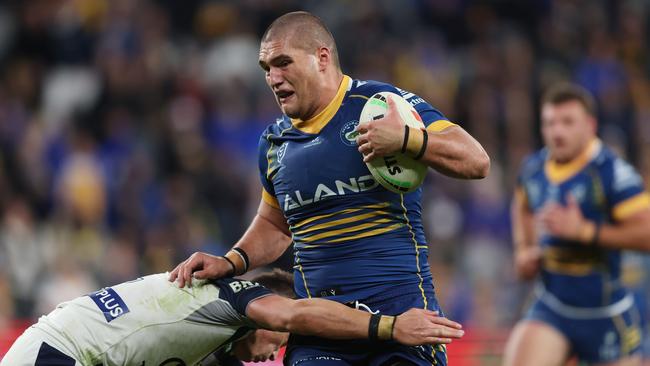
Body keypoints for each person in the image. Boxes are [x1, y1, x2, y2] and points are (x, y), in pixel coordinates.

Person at [170, 11, 489, 365]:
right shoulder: (274, 142)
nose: (273, 78)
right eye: (266, 68)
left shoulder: (379, 103)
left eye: (283, 63)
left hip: (403, 319)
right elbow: (276, 224)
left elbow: (476, 161)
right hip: (322, 333)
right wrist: (230, 262)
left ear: (321, 58)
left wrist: (408, 138)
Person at [1, 269, 463, 366]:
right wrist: (389, 326)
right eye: (280, 341)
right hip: (57, 354)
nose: (273, 355)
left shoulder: (210, 339)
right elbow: (297, 313)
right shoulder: (232, 298)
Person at [503, 83, 650, 366]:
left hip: (606, 313)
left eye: (567, 122)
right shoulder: (533, 168)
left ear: (590, 125)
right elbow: (521, 204)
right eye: (549, 123)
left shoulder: (613, 174)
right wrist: (524, 248)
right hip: (553, 306)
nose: (557, 132)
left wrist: (585, 231)